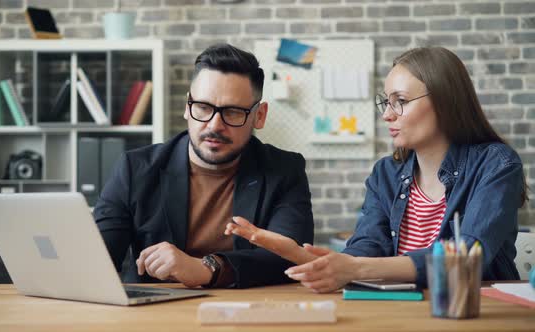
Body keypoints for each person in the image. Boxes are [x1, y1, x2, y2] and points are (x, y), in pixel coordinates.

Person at [226, 46, 527, 293]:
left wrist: (355, 268)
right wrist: (319, 261)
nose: (386, 115)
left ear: (445, 101)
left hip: (478, 312)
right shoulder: (386, 173)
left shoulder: (497, 165)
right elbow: (368, 244)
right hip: (400, 312)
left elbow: (467, 258)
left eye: (401, 102)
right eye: (386, 102)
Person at [94, 43, 314, 289]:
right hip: (155, 312)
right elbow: (96, 261)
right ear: (188, 106)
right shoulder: (134, 169)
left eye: (232, 112)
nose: (214, 125)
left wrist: (207, 268)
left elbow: (291, 258)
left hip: (245, 313)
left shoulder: (285, 170)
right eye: (203, 107)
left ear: (259, 116)